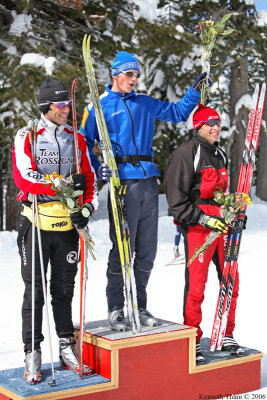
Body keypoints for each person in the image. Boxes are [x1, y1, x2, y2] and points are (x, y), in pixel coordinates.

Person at [80, 50, 205, 332]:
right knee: (123, 248)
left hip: (148, 180)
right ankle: (116, 307)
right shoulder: (98, 107)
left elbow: (177, 113)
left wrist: (193, 94)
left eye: (136, 74)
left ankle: (139, 305)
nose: (134, 79)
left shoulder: (145, 103)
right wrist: (98, 167)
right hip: (122, 182)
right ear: (116, 75)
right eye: (129, 74)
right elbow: (84, 142)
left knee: (146, 249)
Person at [12, 78, 98, 383]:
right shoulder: (28, 135)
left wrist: (87, 207)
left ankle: (66, 346)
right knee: (34, 290)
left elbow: (89, 179)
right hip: (35, 223)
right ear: (47, 106)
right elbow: (24, 178)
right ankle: (32, 351)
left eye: (69, 104)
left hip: (66, 227)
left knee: (64, 290)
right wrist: (59, 186)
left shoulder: (78, 138)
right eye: (62, 105)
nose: (67, 110)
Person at [166, 104, 243, 364]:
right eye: (211, 123)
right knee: (197, 286)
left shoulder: (219, 153)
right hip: (199, 228)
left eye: (218, 123)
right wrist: (202, 218)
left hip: (222, 226)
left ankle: (226, 333)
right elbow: (176, 201)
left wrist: (233, 212)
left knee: (231, 281)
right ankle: (193, 337)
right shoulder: (186, 153)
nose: (216, 127)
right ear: (198, 126)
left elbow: (221, 194)